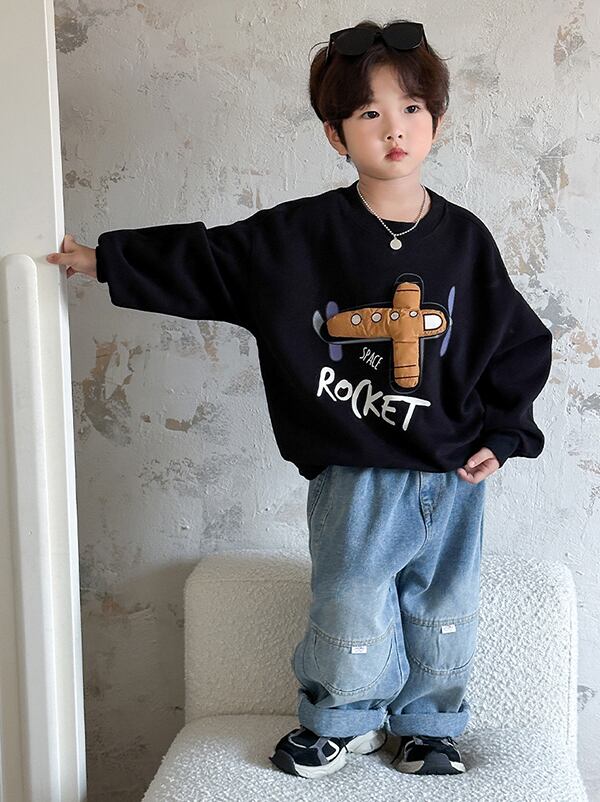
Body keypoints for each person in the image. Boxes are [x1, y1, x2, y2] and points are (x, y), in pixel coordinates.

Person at [46, 18, 553, 780]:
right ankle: (340, 720)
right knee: (349, 598)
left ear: (438, 121)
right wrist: (104, 259)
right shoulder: (303, 236)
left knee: (444, 603)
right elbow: (212, 260)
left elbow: (517, 339)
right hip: (355, 469)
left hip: (452, 474)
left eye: (412, 108)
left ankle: (429, 725)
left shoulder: (467, 241)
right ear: (334, 134)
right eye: (370, 112)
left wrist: (506, 434)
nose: (394, 129)